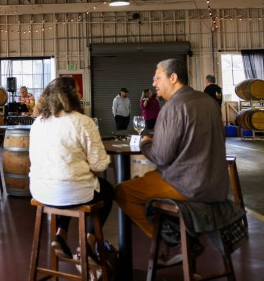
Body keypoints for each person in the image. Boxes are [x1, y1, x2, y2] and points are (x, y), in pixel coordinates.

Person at [115, 59, 228, 264]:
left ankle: (173, 240)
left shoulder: (173, 106)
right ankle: (177, 228)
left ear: (173, 77)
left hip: (188, 186)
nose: (154, 83)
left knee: (123, 192)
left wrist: (145, 143)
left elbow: (161, 156)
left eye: (158, 78)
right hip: (218, 186)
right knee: (152, 179)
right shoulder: (208, 102)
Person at [29, 76, 113, 261]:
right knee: (106, 190)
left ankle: (61, 234)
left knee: (66, 185)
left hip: (40, 190)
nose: (81, 94)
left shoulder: (38, 123)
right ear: (72, 95)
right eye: (78, 90)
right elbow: (99, 164)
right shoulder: (83, 121)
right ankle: (88, 243)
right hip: (71, 191)